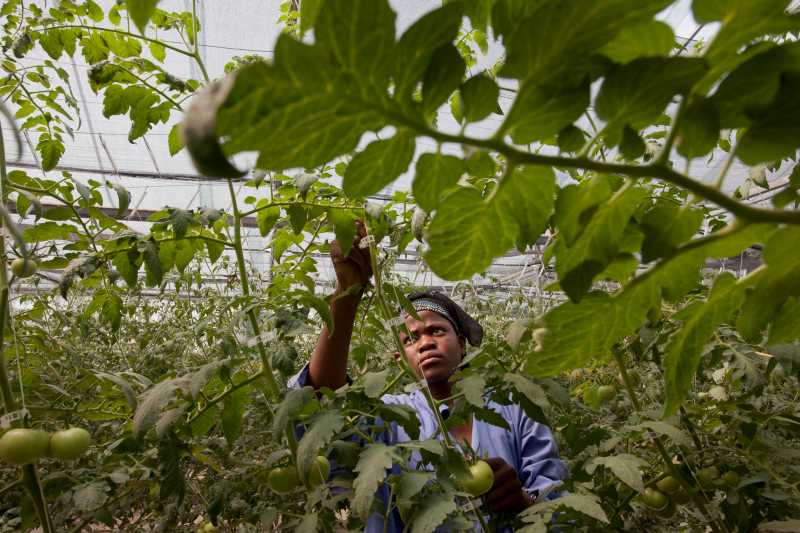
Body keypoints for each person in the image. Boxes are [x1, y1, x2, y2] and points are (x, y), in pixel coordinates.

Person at [288, 222, 567, 531]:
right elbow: (320, 409)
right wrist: (347, 292)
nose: (425, 342)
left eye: (436, 330)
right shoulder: (390, 416)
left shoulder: (514, 408)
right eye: (410, 339)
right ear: (400, 359)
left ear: (461, 344)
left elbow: (557, 507)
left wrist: (523, 501)